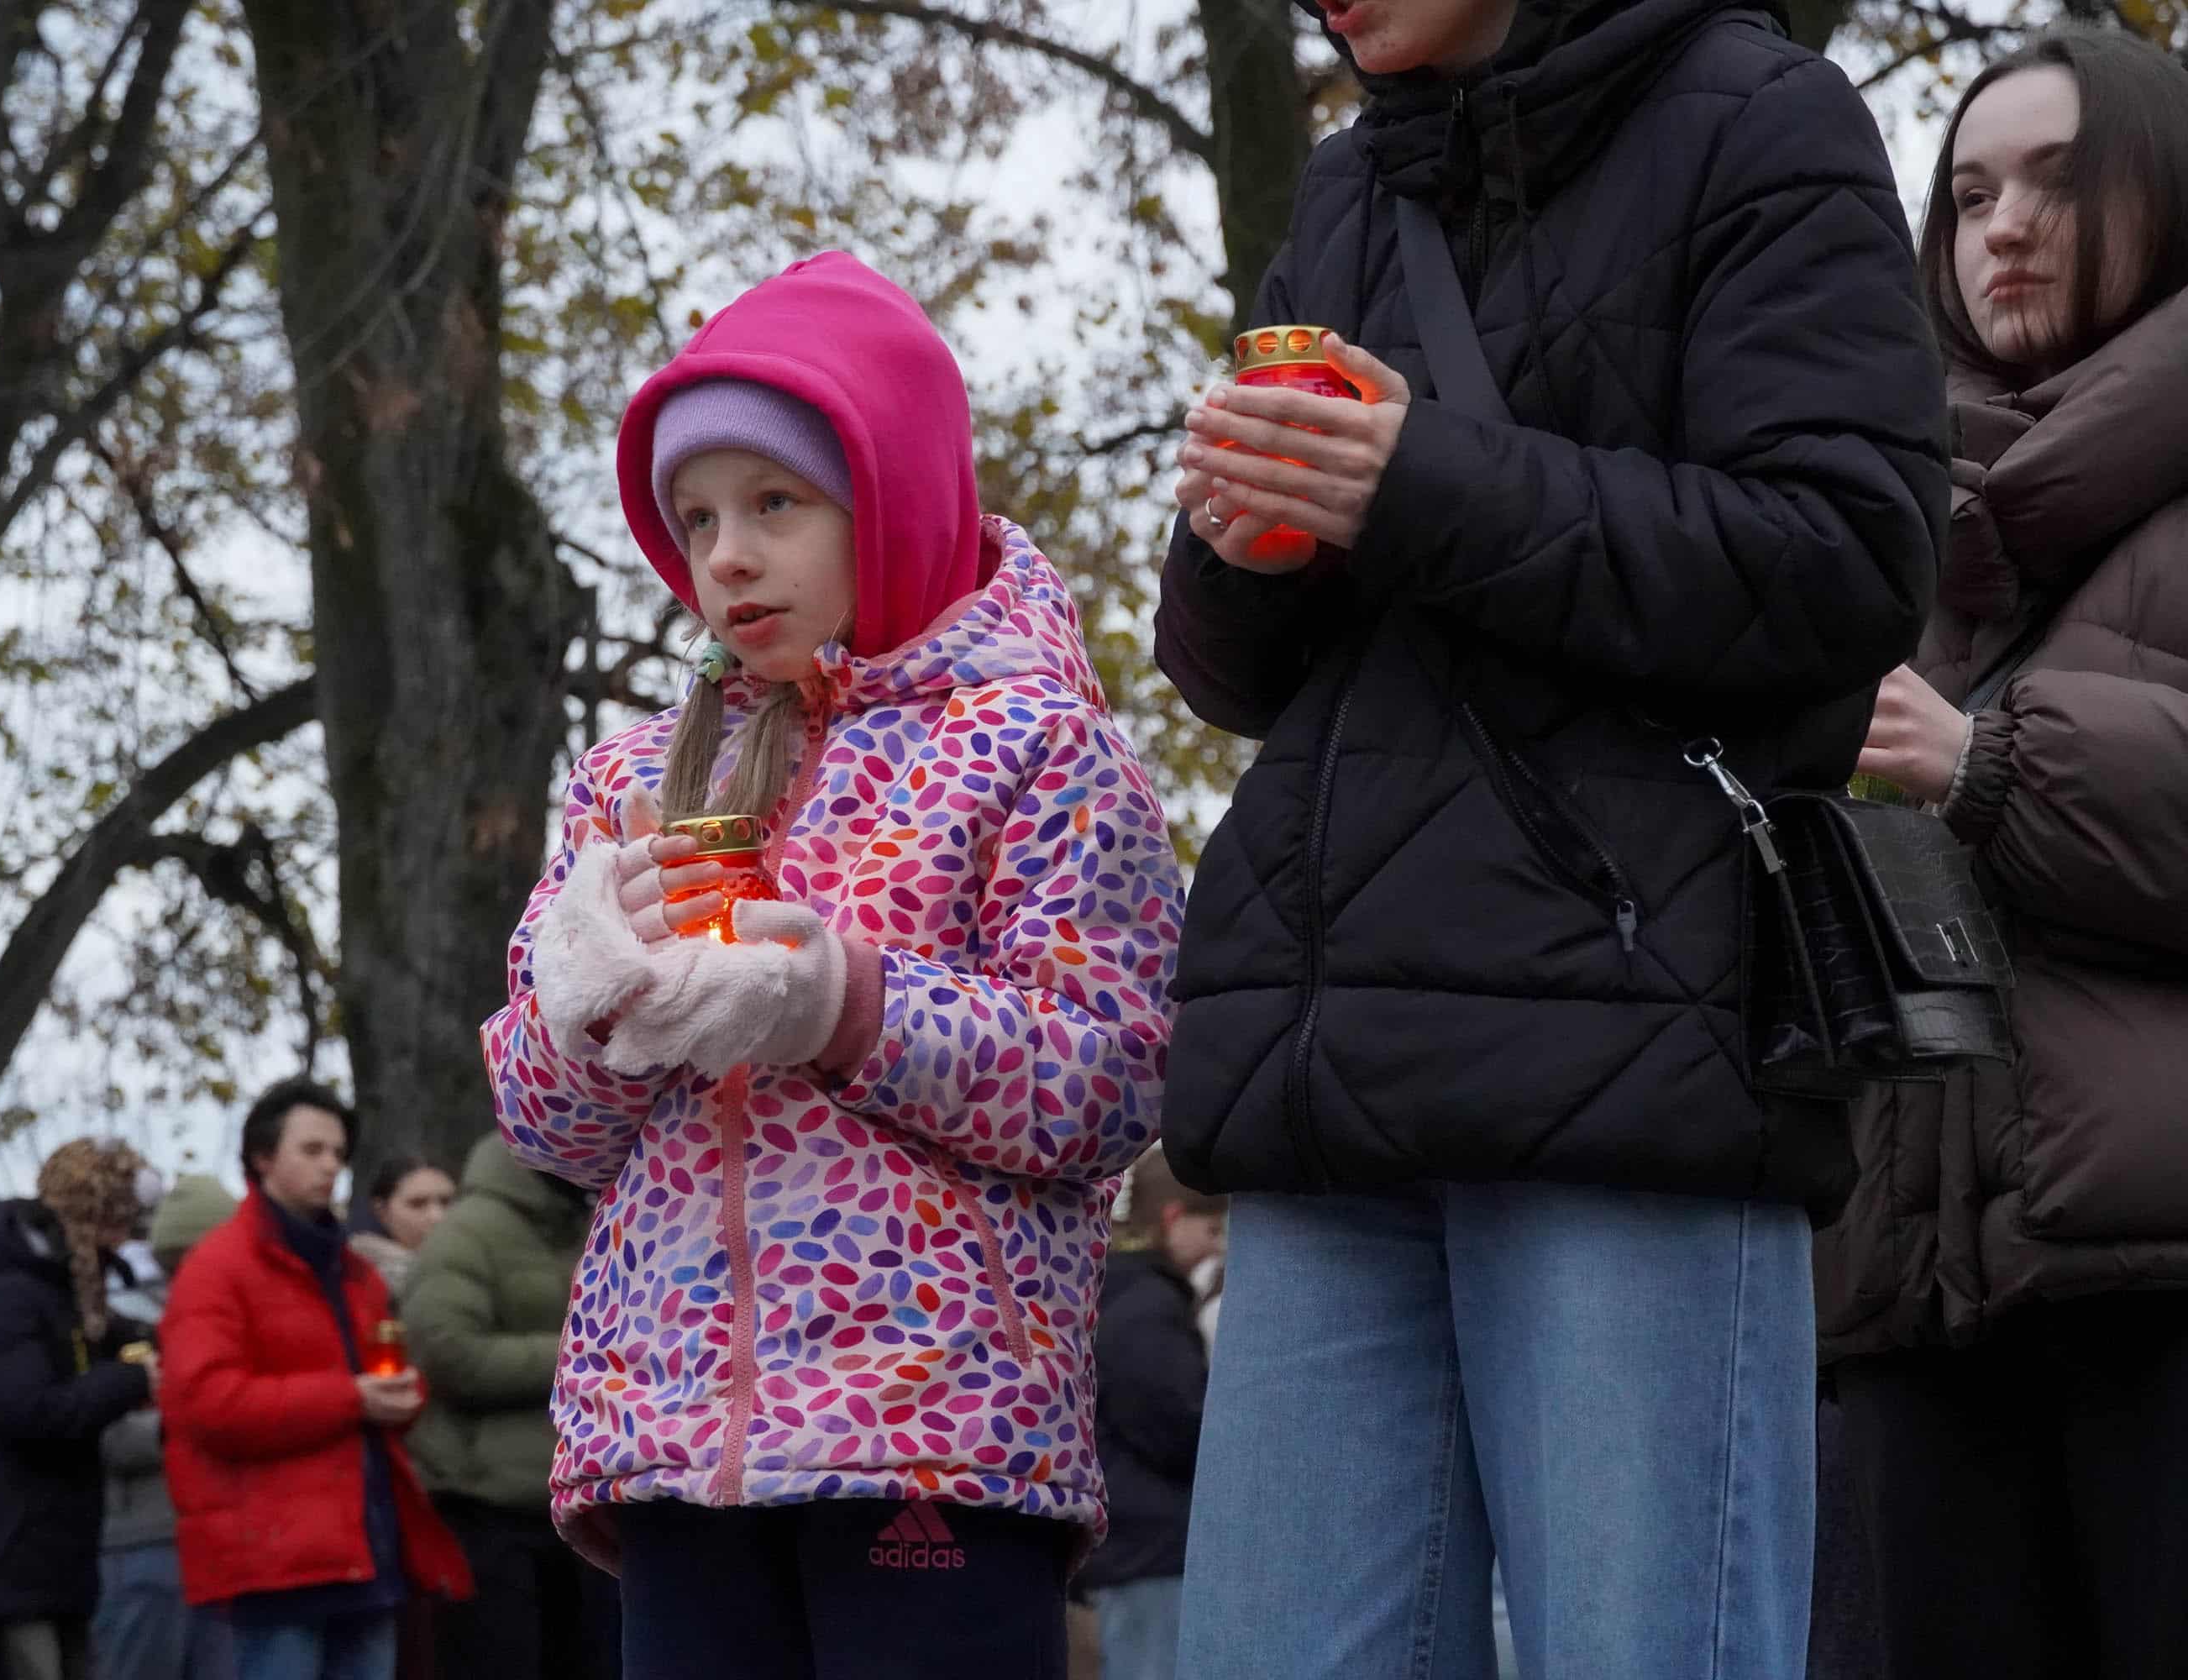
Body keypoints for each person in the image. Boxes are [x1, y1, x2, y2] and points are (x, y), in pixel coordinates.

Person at [1149, 0, 1951, 1670]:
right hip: (1331, 1072)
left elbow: (1844, 560)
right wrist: (1245, 547)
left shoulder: (1765, 118)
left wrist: (1417, 483)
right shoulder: (1348, 193)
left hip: (1628, 1055)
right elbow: (1236, 676)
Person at [484, 249, 1183, 1680]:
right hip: (670, 1436)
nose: (723, 555)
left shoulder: (1036, 744)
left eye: (774, 503)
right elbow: (543, 1130)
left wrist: (847, 1005)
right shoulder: (629, 779)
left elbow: (1112, 1080)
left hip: (927, 1426)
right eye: (692, 518)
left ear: (894, 497)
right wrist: (586, 1006)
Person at [1813, 30, 2188, 1677]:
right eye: (1967, 194)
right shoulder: (1878, 524)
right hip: (1907, 1298)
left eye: (2054, 179)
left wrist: (1989, 765)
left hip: (2159, 1288)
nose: (2002, 229)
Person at [160, 1080, 469, 1680]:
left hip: (366, 1544)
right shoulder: (217, 1269)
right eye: (312, 1149)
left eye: (337, 1152)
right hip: (275, 1558)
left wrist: (403, 1395)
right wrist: (350, 1398)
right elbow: (206, 1404)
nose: (331, 1164)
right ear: (262, 1157)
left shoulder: (354, 1270)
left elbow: (392, 1381)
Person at [0, 1142, 160, 1680]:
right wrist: (132, 1379)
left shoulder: (51, 1293)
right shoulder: (3, 1297)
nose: (125, 1241)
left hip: (47, 1551)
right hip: (8, 1554)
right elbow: (32, 1412)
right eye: (115, 1222)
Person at [400, 1134, 613, 1680]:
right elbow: (446, 1354)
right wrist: (578, 1354)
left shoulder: (586, 1224)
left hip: (576, 1505)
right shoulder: (465, 1235)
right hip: (489, 1514)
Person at [1081, 1148, 1223, 1680]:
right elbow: (1179, 1426)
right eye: (1210, 1230)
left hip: (1128, 1544)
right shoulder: (1148, 1309)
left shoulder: (1113, 1294)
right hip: (1155, 1548)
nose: (1216, 1247)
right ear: (1173, 1219)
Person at [94, 1173, 239, 1680]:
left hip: (227, 1540)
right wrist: (196, 1422)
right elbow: (101, 1432)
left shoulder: (239, 1317)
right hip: (145, 1540)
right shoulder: (116, 1324)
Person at [346, 1158, 454, 1299]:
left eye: (446, 1202)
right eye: (418, 1204)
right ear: (382, 1212)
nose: (437, 1217)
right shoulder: (358, 1280)